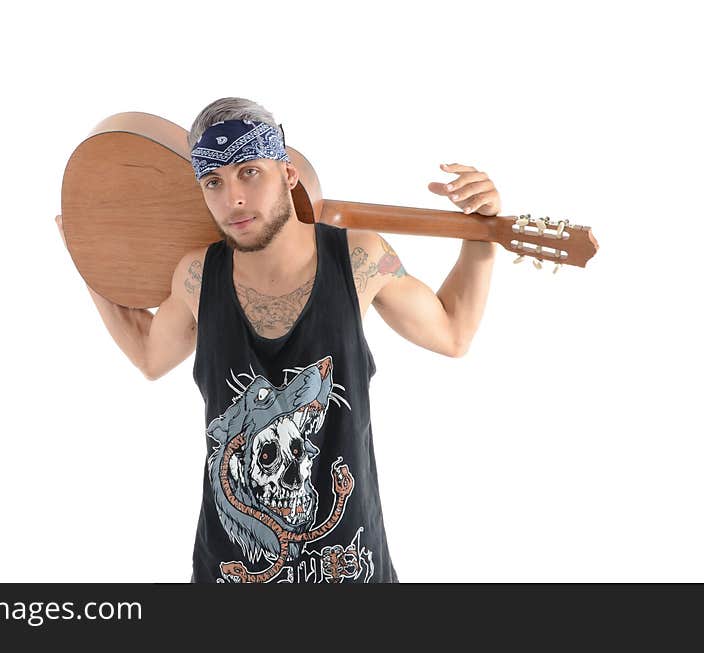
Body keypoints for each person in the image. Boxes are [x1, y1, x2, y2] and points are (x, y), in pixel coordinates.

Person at [55, 97, 501, 583]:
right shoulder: (195, 279)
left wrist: (483, 231)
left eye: (250, 172)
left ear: (288, 174)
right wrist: (88, 256)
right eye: (214, 182)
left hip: (352, 567)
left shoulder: (364, 258)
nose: (234, 199)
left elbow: (453, 331)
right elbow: (149, 355)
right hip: (229, 573)